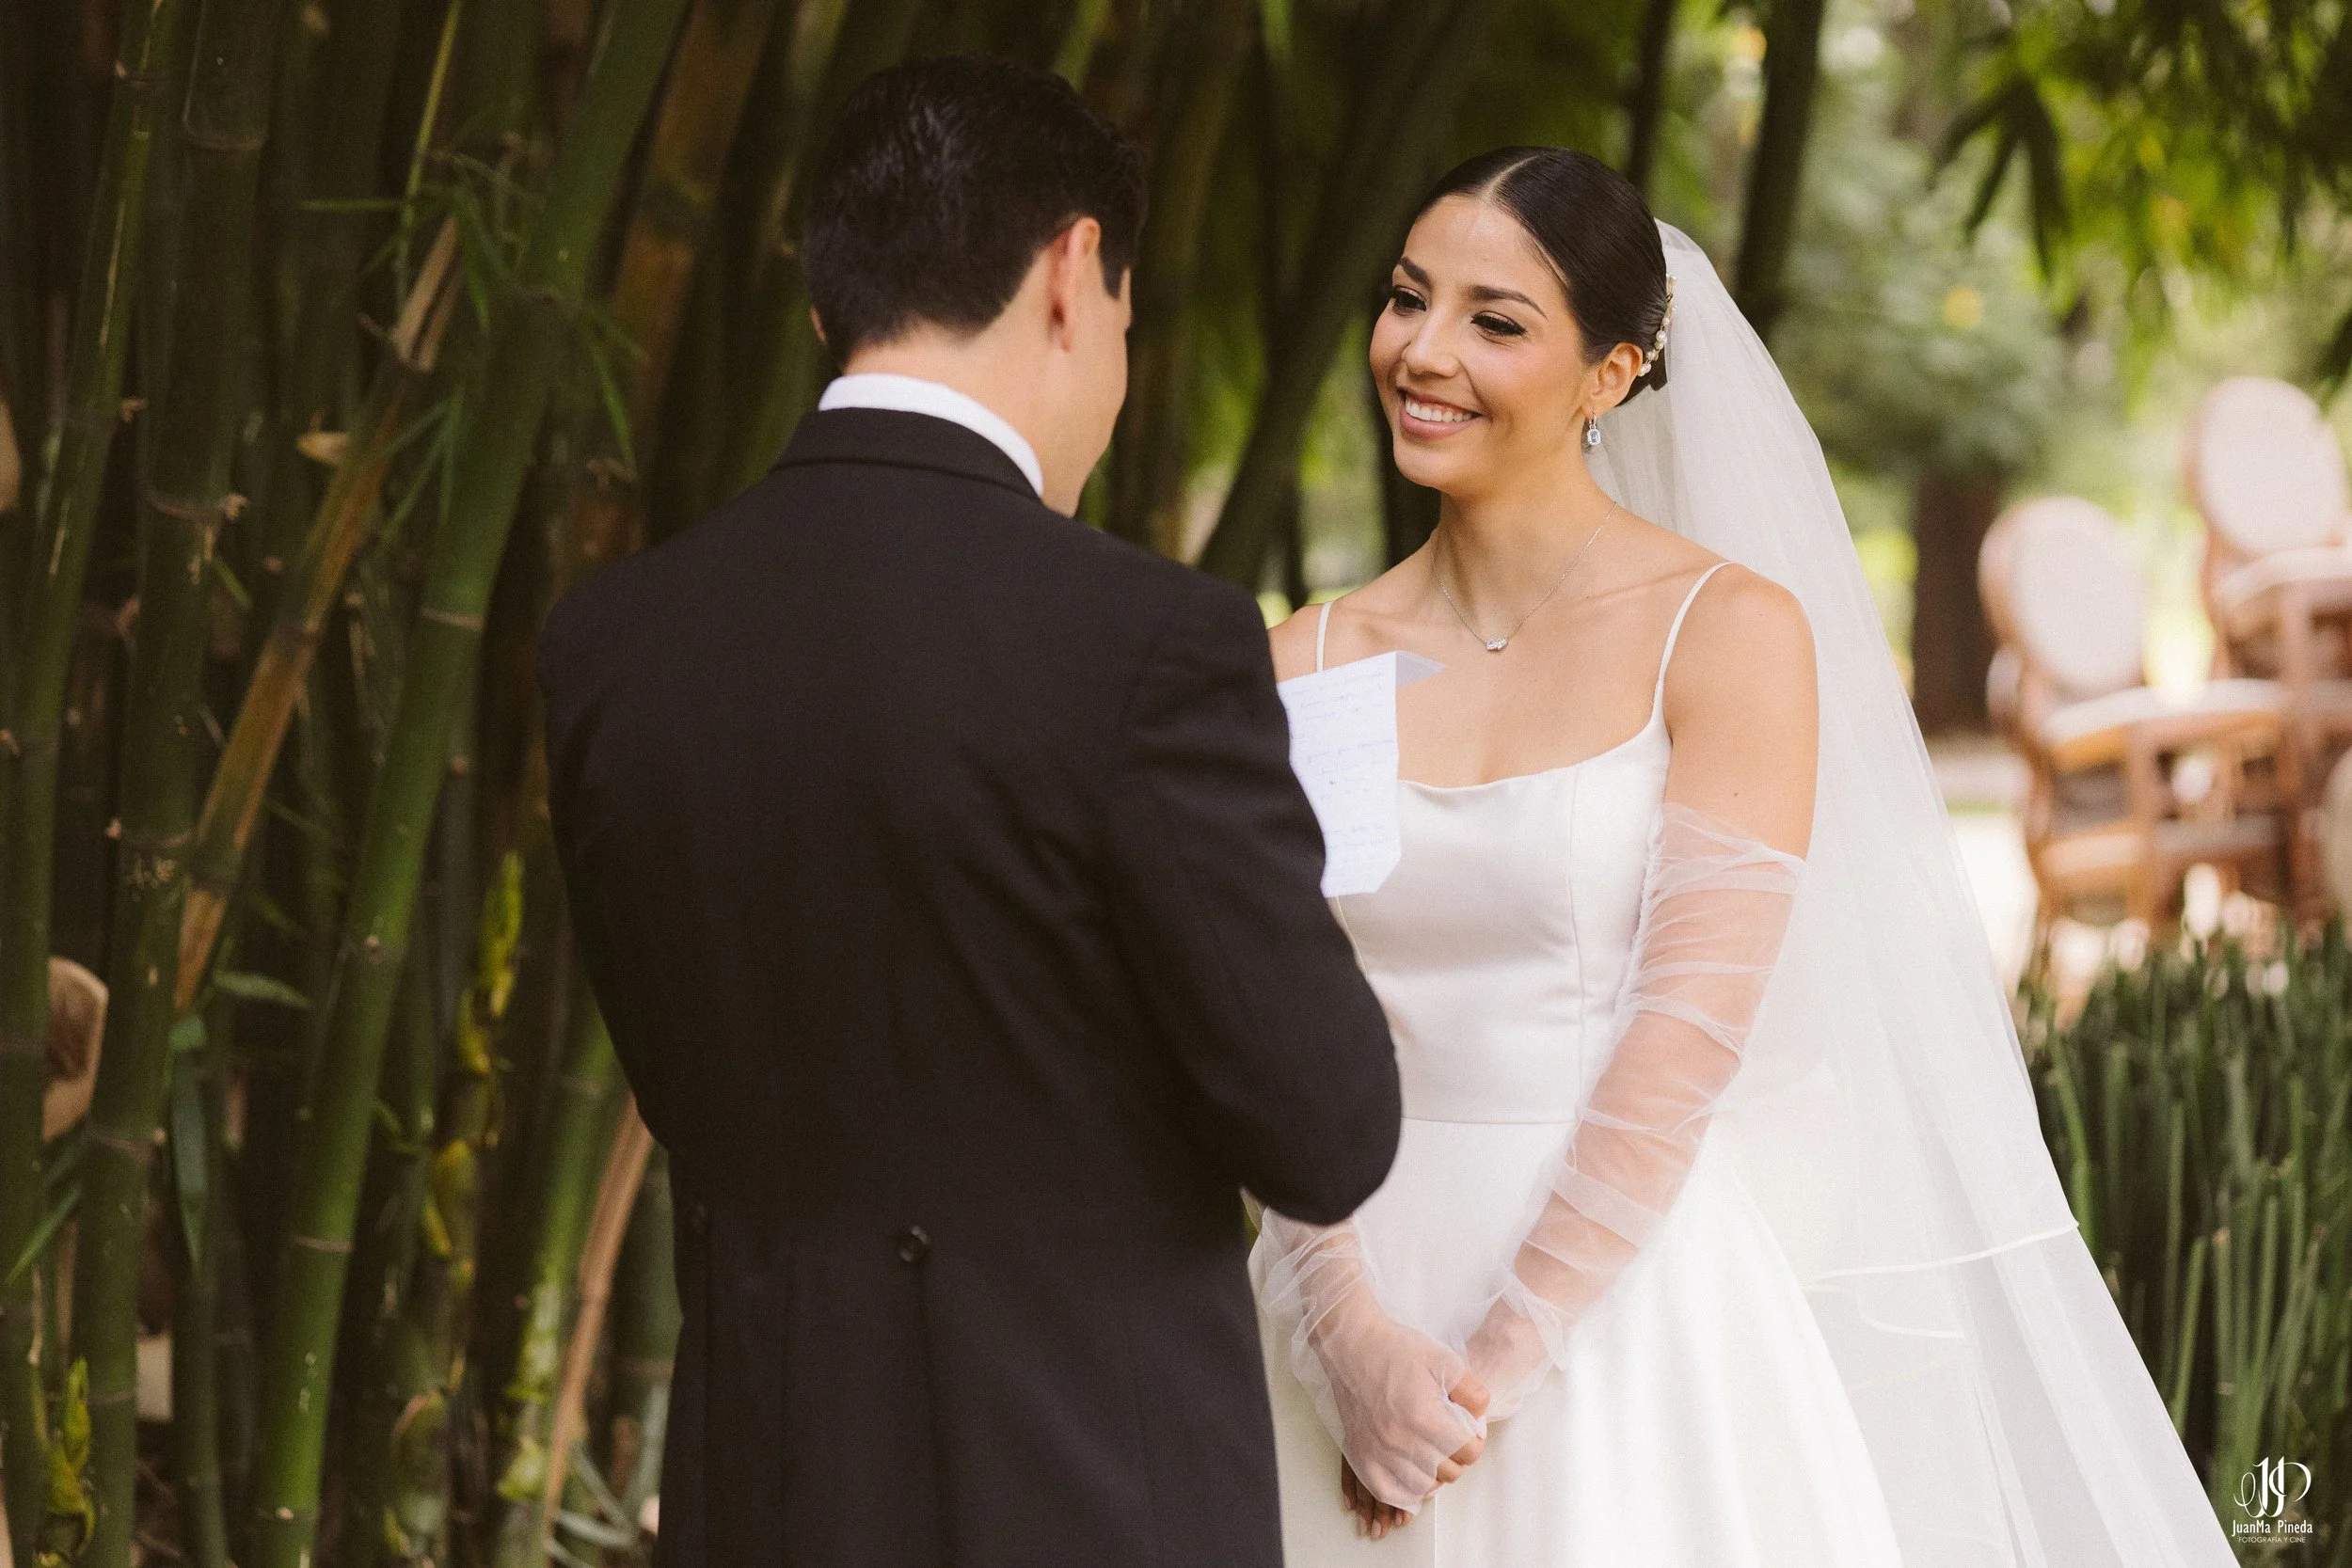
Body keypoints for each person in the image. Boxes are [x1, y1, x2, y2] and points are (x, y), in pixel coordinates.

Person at [1250, 147, 2240, 1566]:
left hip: (1621, 1323)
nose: (1424, 350)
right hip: (1339, 1311)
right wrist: (1350, 1345)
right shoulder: (1312, 659)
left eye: (1496, 319)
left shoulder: (1722, 633)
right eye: (1409, 300)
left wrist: (1493, 1370)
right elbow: (1267, 1020)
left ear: (1615, 370)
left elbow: (1685, 1039)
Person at [536, 55, 1431, 1568]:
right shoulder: (1149, 644)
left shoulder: (615, 637)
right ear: (1076, 272)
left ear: (831, 304)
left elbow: (694, 1079)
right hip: (1084, 1490)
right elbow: (1323, 1127)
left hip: (766, 1483)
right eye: (1132, 327)